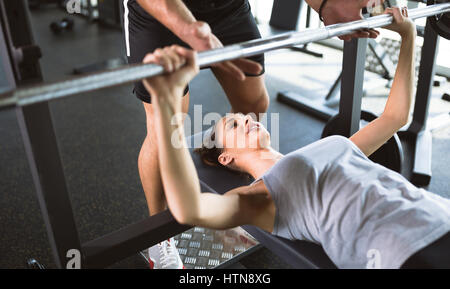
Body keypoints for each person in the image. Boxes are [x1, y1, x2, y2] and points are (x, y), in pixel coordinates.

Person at [142, 7, 450, 269]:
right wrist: (167, 101)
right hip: (403, 249)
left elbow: (394, 119)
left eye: (244, 117)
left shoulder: (331, 147)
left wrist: (408, 35)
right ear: (226, 158)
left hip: (438, 212)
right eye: (235, 126)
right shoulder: (259, 198)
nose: (248, 119)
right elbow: (190, 209)